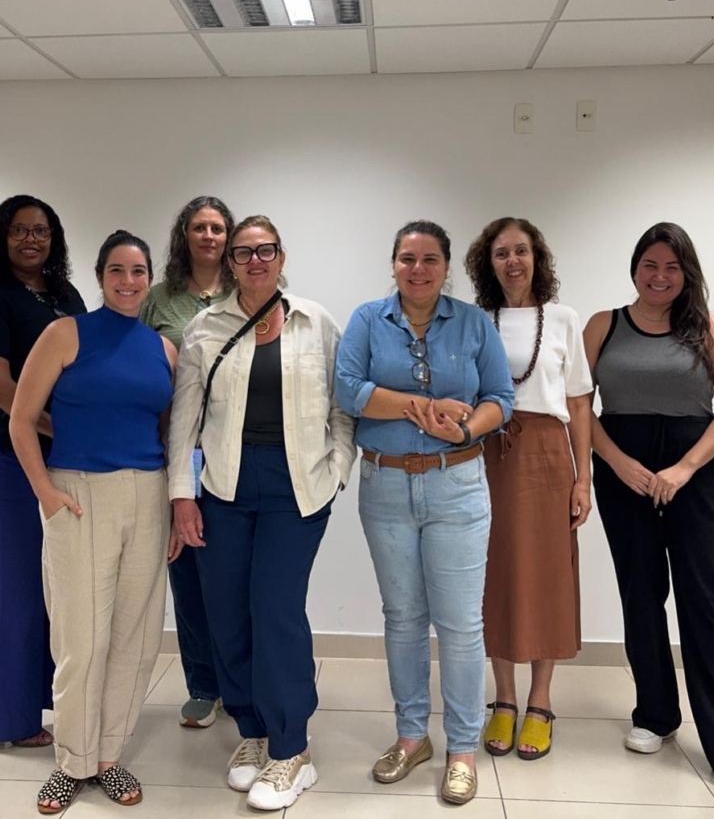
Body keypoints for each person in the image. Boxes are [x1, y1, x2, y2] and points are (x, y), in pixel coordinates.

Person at [168, 215, 355, 812]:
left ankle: (292, 747)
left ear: (281, 257)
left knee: (275, 611)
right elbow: (185, 419)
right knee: (227, 613)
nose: (255, 261)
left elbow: (342, 406)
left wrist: (338, 469)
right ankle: (251, 730)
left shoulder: (315, 322)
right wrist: (181, 494)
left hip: (297, 488)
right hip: (223, 486)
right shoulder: (205, 328)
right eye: (243, 252)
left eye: (265, 250)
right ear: (229, 262)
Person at [582, 222, 714, 805]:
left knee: (704, 599)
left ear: (686, 274)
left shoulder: (708, 327)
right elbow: (577, 407)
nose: (659, 277)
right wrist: (617, 463)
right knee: (640, 594)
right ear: (635, 268)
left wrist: (683, 469)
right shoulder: (603, 325)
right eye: (650, 265)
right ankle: (655, 714)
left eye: (671, 267)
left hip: (694, 471)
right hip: (624, 472)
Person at [335, 220, 514, 806]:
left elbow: (500, 400)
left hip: (456, 485)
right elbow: (348, 389)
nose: (418, 269)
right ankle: (412, 736)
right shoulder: (368, 320)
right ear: (393, 265)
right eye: (407, 259)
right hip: (384, 485)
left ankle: (461, 749)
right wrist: (424, 406)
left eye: (430, 259)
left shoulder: (474, 323)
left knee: (460, 624)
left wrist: (463, 426)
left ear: (446, 267)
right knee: (404, 618)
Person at [10, 230, 180, 813]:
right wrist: (46, 493)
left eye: (138, 272)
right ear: (100, 276)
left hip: (147, 496)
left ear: (149, 278)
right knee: (81, 639)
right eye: (116, 271)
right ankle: (71, 762)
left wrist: (173, 504)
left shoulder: (163, 350)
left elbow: (168, 432)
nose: (128, 282)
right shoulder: (65, 333)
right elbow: (21, 418)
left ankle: (108, 757)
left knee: (135, 638)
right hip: (78, 495)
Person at [464, 217, 592, 761]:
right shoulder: (474, 321)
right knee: (491, 572)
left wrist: (583, 477)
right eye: (501, 253)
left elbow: (579, 402)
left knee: (546, 574)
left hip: (546, 455)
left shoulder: (563, 319)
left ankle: (540, 700)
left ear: (537, 257)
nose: (512, 262)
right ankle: (504, 698)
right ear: (487, 264)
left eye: (521, 250)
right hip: (487, 453)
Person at [0, 195, 86, 749]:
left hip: (55, 452)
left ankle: (43, 699)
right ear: (1, 237)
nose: (31, 240)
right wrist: (62, 428)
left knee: (51, 583)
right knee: (17, 584)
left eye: (41, 231)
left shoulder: (64, 295)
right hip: (7, 451)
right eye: (19, 231)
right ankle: (7, 720)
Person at [140, 195, 235, 729]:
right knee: (189, 569)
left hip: (237, 448)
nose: (209, 236)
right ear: (185, 235)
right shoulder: (159, 299)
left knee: (237, 571)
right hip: (176, 448)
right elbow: (139, 361)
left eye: (217, 228)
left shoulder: (252, 292)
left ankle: (241, 680)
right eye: (199, 227)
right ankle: (203, 685)